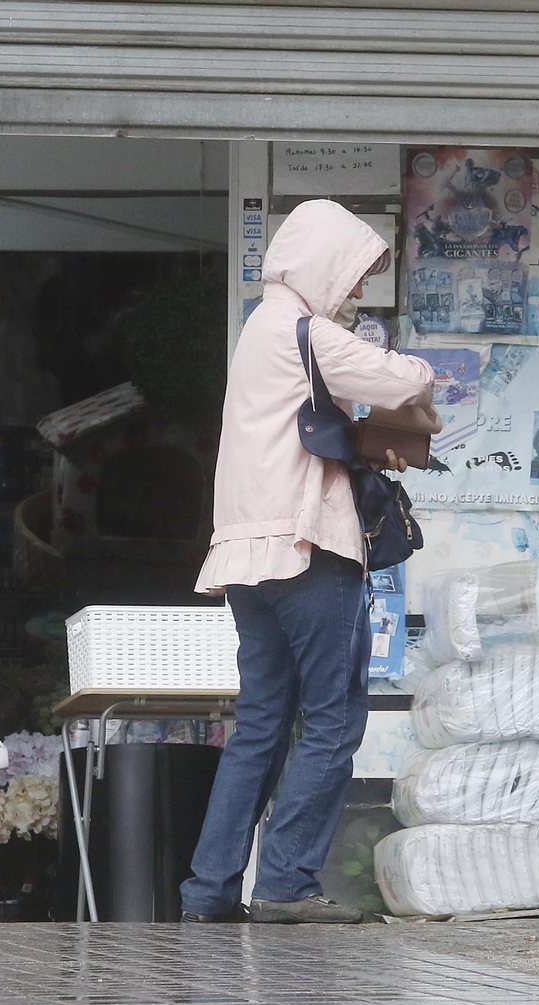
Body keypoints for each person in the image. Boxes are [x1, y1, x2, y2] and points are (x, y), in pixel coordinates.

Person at [180, 199, 436, 924]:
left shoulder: (258, 330)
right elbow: (407, 382)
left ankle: (210, 889)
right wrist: (413, 371)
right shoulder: (305, 331)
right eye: (353, 277)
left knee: (261, 721)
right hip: (307, 551)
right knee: (332, 719)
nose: (355, 293)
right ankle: (287, 881)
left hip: (245, 558)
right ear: (324, 265)